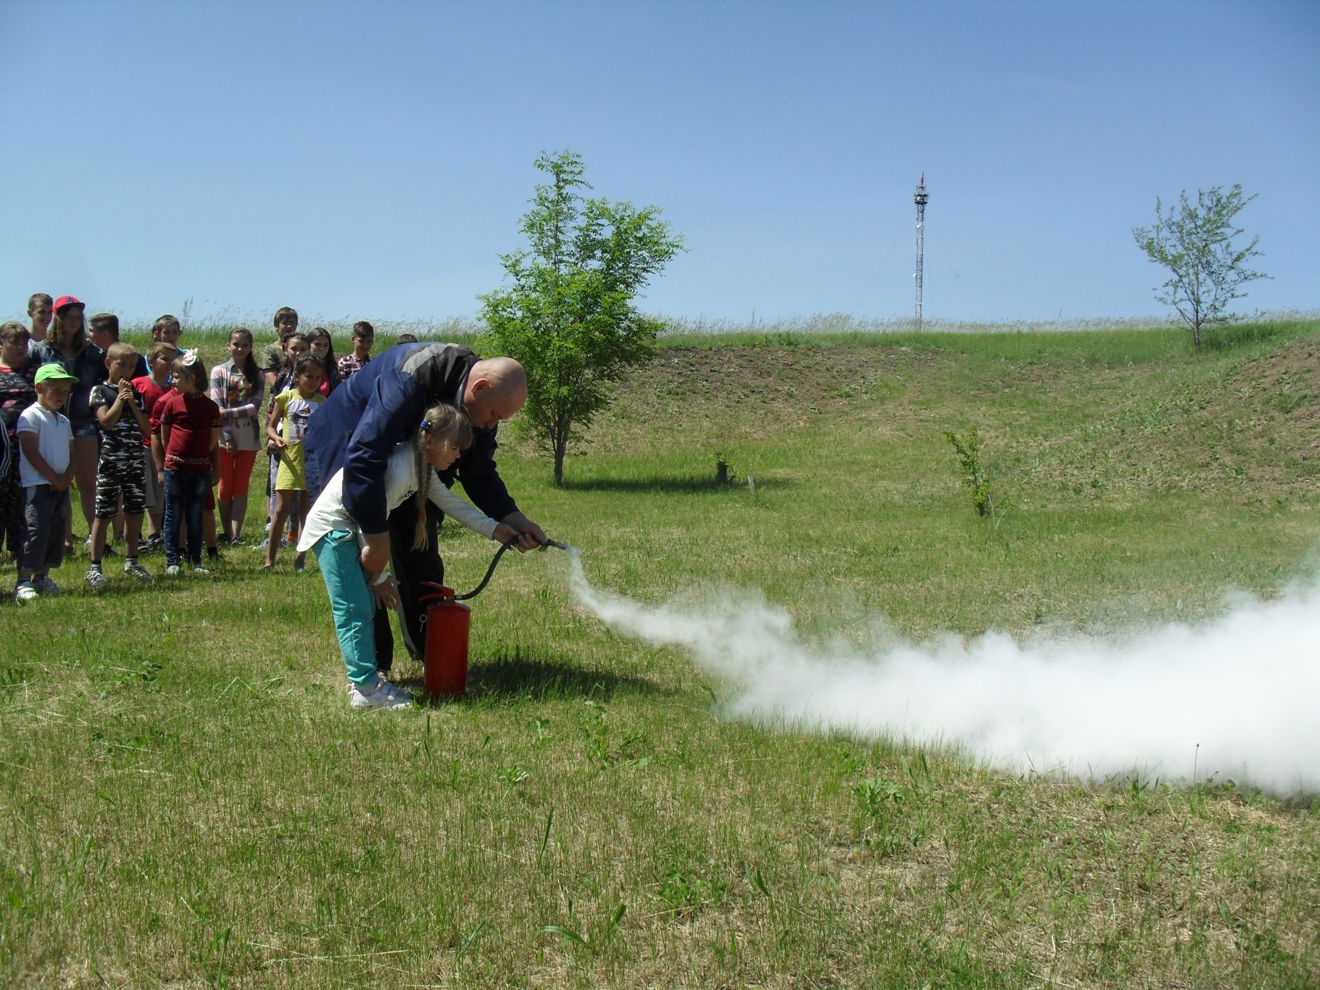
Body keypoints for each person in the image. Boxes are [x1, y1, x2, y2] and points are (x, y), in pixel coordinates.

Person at [305, 342, 545, 669]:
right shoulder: (412, 377)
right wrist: (376, 540)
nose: (491, 425)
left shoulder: (480, 410)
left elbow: (477, 472)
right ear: (480, 387)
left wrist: (510, 518)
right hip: (345, 444)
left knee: (420, 549)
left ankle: (429, 652)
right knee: (360, 565)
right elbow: (365, 456)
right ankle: (371, 671)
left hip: (401, 465)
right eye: (493, 416)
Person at [300, 404, 520, 709]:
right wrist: (378, 577)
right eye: (454, 448)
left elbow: (452, 504)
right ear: (430, 442)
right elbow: (370, 521)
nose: (458, 456)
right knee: (354, 608)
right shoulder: (402, 469)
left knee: (360, 607)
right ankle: (365, 689)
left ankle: (368, 684)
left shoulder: (421, 468)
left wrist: (497, 530)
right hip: (335, 530)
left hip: (350, 531)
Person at [29, 296, 105, 547]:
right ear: (57, 318)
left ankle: (97, 538)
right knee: (58, 479)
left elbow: (103, 385)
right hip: (51, 420)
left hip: (84, 421)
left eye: (77, 317)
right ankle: (65, 538)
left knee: (87, 480)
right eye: (68, 316)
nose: (74, 322)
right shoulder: (40, 351)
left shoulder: (93, 352)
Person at [85, 343, 154, 588]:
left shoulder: (137, 394)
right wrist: (121, 400)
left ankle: (132, 561)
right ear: (108, 364)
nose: (126, 370)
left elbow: (147, 429)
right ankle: (95, 566)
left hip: (135, 461)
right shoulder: (100, 391)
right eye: (121, 364)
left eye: (131, 365)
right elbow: (106, 422)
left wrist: (132, 402)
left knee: (135, 511)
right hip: (111, 462)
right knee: (104, 513)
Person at [14, 365, 77, 601]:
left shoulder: (63, 420)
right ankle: (23, 580)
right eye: (56, 390)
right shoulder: (30, 415)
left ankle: (42, 575)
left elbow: (72, 452)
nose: (62, 395)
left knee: (54, 530)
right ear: (39, 388)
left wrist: (67, 477)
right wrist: (54, 478)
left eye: (65, 391)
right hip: (38, 484)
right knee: (36, 530)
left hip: (59, 485)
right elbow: (31, 451)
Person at [157, 350, 220, 576]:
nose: (173, 380)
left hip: (200, 469)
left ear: (191, 378)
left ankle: (196, 560)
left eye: (176, 376)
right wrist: (170, 457)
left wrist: (205, 457)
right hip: (175, 467)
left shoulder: (210, 407)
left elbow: (213, 439)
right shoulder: (172, 404)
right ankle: (172, 560)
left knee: (195, 514)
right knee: (173, 513)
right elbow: (165, 434)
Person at [264, 352, 324, 571]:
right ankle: (269, 560)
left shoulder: (322, 403)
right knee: (280, 510)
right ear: (297, 375)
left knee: (306, 514)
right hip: (289, 462)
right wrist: (276, 438)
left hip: (311, 464)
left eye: (318, 377)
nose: (314, 381)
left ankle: (300, 560)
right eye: (309, 376)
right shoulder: (286, 397)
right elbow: (271, 426)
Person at [209, 328, 264, 545]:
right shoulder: (218, 372)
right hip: (223, 436)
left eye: (244, 345)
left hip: (248, 436)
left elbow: (255, 407)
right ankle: (225, 531)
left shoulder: (257, 374)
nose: (240, 348)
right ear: (228, 346)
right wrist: (227, 434)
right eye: (236, 344)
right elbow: (216, 406)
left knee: (241, 486)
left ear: (250, 347)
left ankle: (235, 534)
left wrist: (226, 413)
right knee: (225, 486)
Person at [0, 322, 37, 560]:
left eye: (24, 342)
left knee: (21, 500)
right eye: (14, 342)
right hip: (1, 448)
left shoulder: (35, 372)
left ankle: (18, 549)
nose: (20, 347)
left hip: (28, 448)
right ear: (1, 344)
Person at [135, 342, 175, 548]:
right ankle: (135, 536)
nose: (169, 363)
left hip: (163, 448)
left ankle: (155, 535)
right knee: (141, 491)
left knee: (159, 494)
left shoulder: (174, 390)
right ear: (150, 362)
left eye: (172, 359)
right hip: (141, 445)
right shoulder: (139, 384)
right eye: (164, 359)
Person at [89, 313, 148, 379]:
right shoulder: (91, 356)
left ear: (104, 334)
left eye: (91, 331)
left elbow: (140, 385)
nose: (88, 334)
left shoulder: (134, 358)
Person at [259, 307, 299, 392]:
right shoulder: (270, 351)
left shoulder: (304, 349)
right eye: (284, 323)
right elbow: (273, 382)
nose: (289, 326)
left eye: (292, 322)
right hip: (279, 399)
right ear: (276, 326)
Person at [307, 327, 341, 397]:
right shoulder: (300, 367)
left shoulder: (333, 371)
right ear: (308, 344)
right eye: (317, 344)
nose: (321, 349)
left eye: (325, 345)